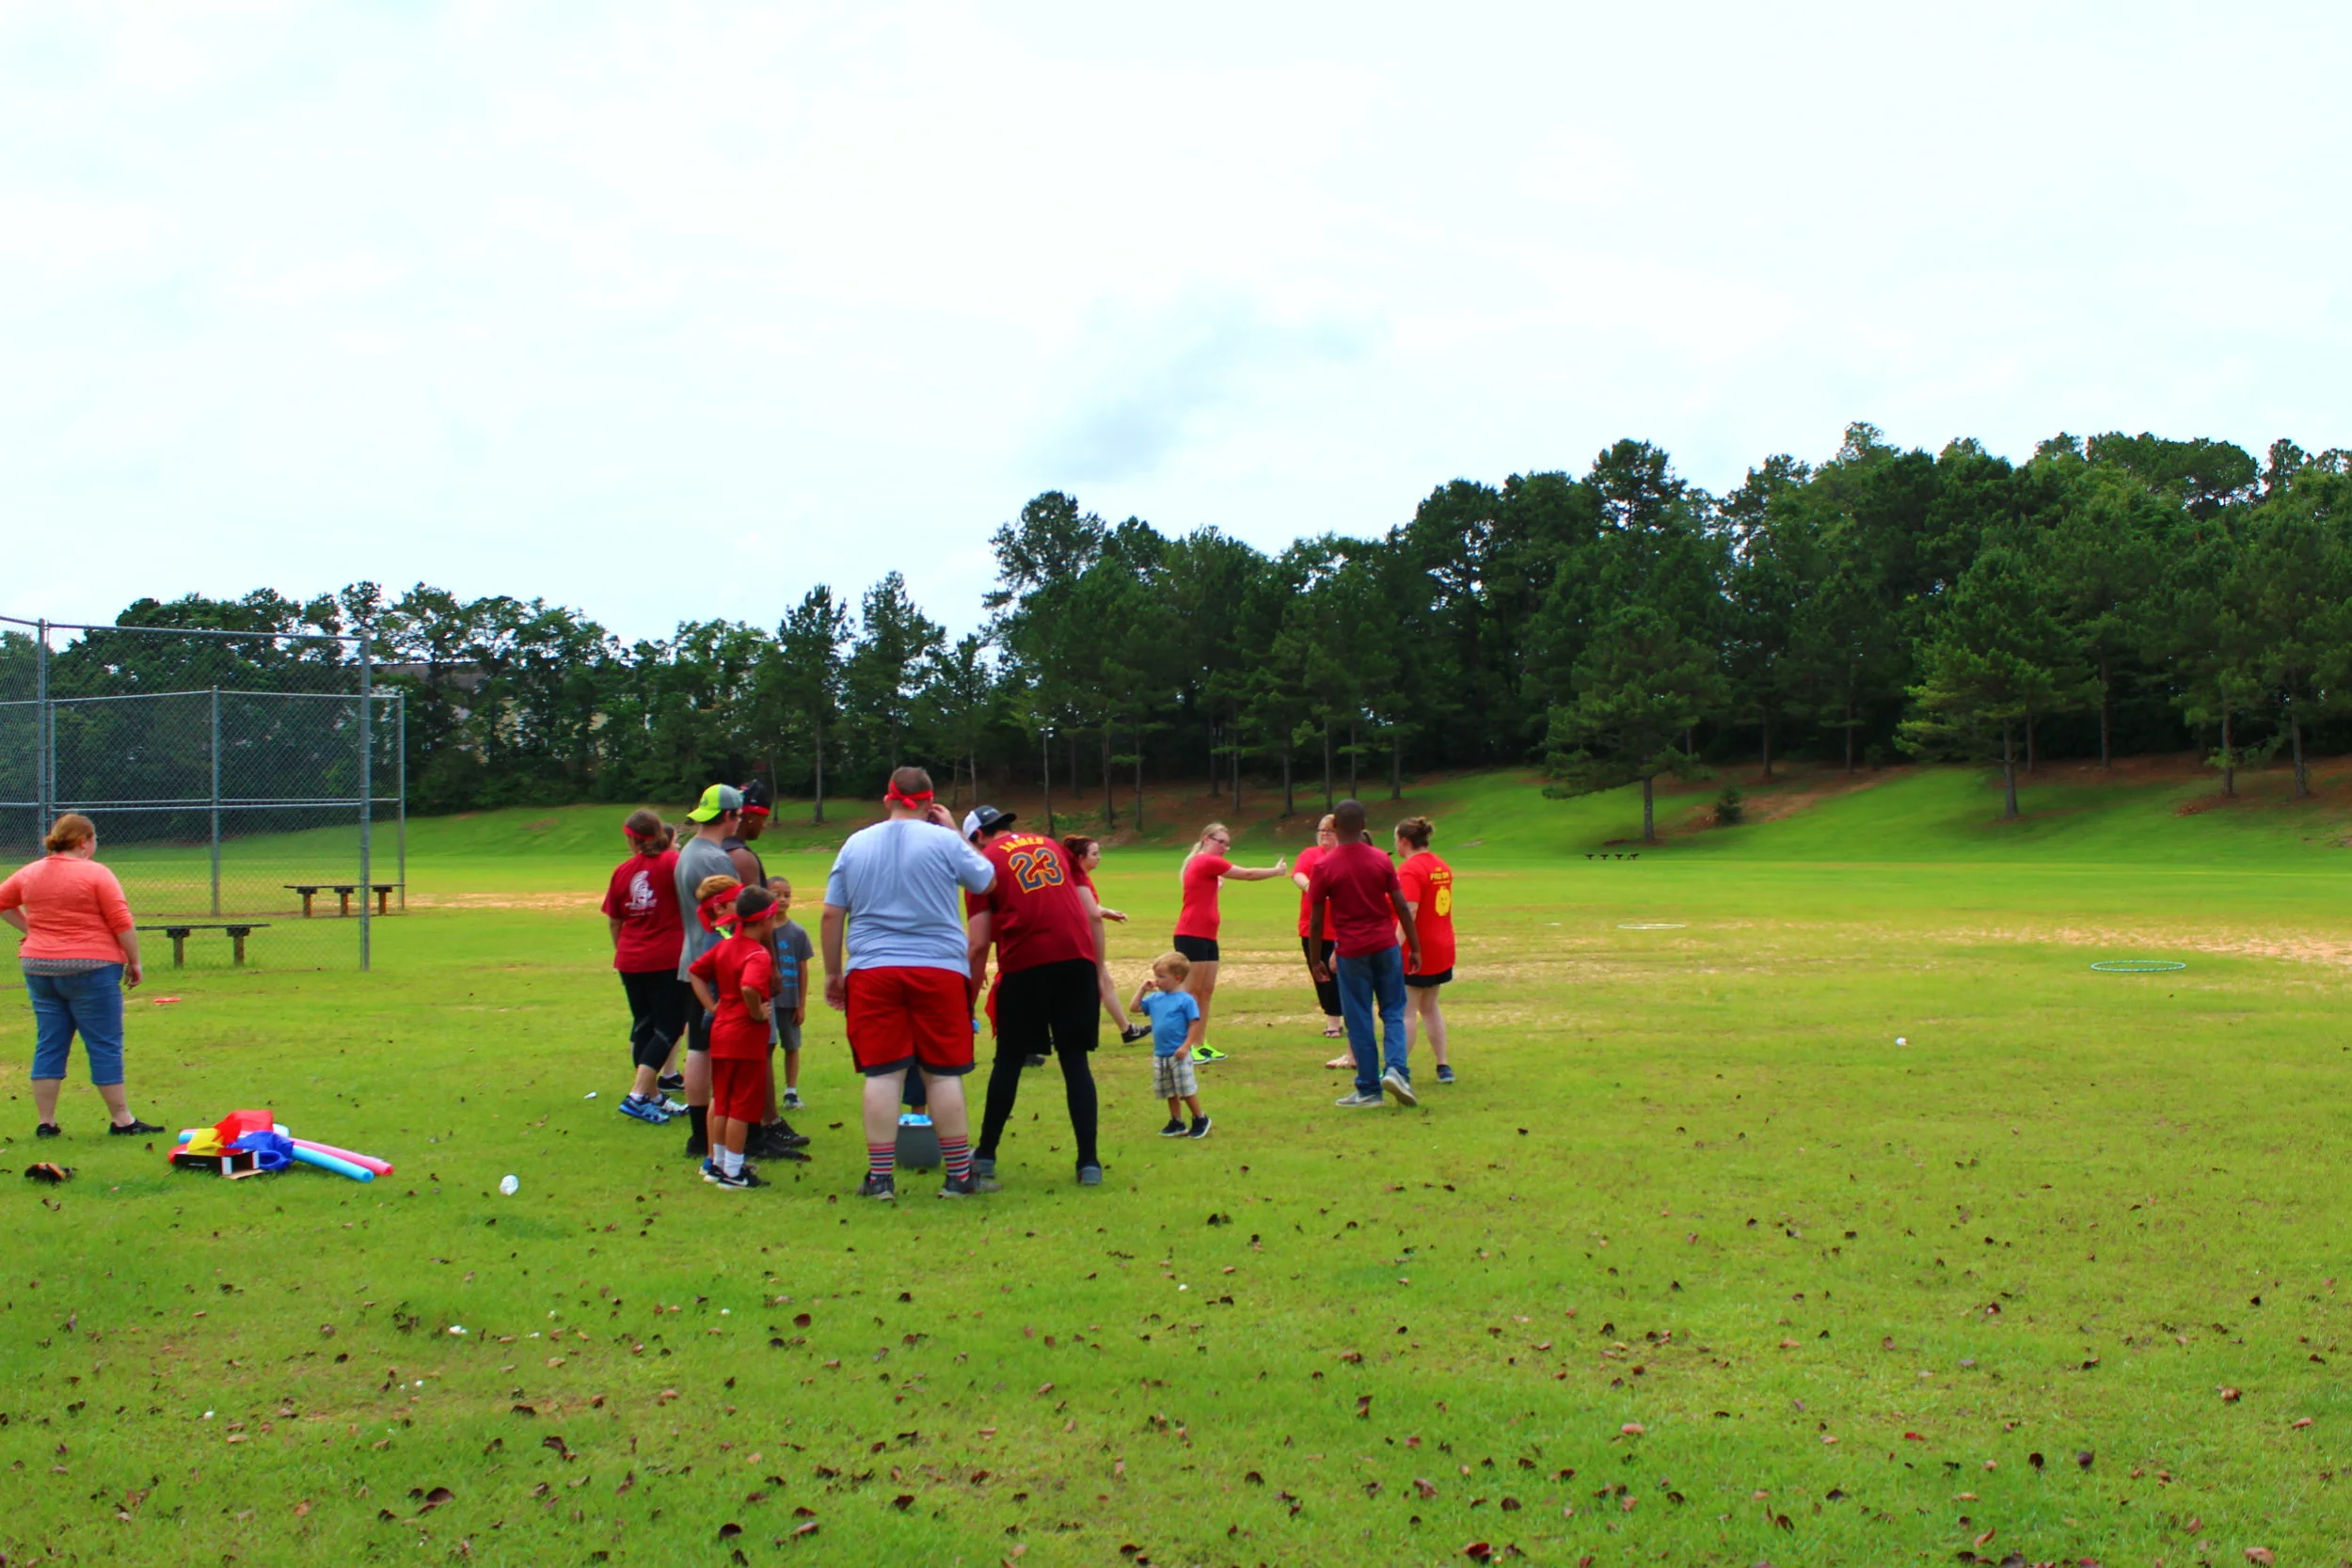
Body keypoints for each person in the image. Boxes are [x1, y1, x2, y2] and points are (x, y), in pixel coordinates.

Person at [821, 767, 999, 1200]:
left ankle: (880, 1178)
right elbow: (987, 880)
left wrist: (832, 972)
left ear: (889, 799)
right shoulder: (941, 841)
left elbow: (831, 914)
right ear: (928, 803)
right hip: (938, 966)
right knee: (942, 1073)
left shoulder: (856, 843)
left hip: (874, 967)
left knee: (883, 1072)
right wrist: (955, 833)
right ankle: (959, 1175)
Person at [964, 806, 1104, 1187]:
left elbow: (978, 944)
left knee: (1008, 1060)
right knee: (1075, 1061)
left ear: (976, 837)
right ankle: (1089, 1163)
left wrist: (967, 1000)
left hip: (1026, 963)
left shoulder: (984, 863)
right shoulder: (1052, 845)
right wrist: (1097, 968)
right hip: (1077, 959)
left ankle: (987, 1154)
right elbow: (1090, 912)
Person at [0, 814, 161, 1138]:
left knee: (50, 1042)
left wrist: (33, 930)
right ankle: (122, 1120)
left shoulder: (31, 871)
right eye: (94, 839)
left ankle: (46, 1123)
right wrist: (135, 961)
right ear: (84, 841)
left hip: (39, 967)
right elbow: (121, 921)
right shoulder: (96, 873)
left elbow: (3, 902)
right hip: (92, 967)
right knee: (103, 1043)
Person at [1308, 799, 1422, 1109]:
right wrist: (1415, 946)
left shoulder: (1324, 865)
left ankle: (1369, 1089)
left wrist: (1315, 958)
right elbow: (1401, 906)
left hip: (1351, 950)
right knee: (1394, 1012)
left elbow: (1317, 919)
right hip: (1385, 946)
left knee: (1359, 1018)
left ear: (1334, 828)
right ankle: (1398, 1071)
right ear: (1363, 825)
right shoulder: (1380, 860)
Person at [688, 883, 782, 1190]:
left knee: (723, 1101)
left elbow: (695, 973)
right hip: (745, 1035)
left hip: (722, 1031)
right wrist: (755, 1013)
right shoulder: (758, 954)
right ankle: (734, 1171)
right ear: (765, 920)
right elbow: (749, 988)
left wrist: (714, 1007)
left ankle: (717, 1163)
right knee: (742, 1105)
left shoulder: (725, 945)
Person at [1171, 822, 1286, 1063]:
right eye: (1220, 841)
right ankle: (1186, 1044)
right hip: (1191, 934)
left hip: (1207, 935)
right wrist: (1276, 871)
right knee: (1191, 992)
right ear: (1206, 839)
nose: (1224, 847)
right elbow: (1247, 874)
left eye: (1227, 843)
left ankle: (1200, 1044)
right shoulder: (1205, 861)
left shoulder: (1205, 867)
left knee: (1205, 992)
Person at [602, 808, 689, 1124]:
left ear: (631, 839)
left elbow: (615, 920)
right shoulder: (672, 863)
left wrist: (625, 951)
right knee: (670, 1026)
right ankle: (638, 1095)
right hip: (666, 958)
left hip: (630, 959)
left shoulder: (622, 870)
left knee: (643, 1026)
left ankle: (652, 1096)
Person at [1062, 834, 1150, 1044]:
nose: (1099, 858)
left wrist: (1106, 911)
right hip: (1079, 938)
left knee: (1103, 981)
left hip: (1081, 936)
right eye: (1094, 854)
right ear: (1081, 857)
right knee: (1086, 984)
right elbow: (1086, 910)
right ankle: (1064, 1029)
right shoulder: (1075, 880)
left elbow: (1089, 907)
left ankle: (1126, 1029)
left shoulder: (1080, 879)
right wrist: (1103, 912)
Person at [1395, 816, 1458, 1084]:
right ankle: (1443, 1066)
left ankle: (1398, 1069)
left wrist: (1391, 947)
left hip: (1417, 950)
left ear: (1405, 841)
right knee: (1431, 1007)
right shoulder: (1440, 864)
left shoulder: (1410, 869)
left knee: (1407, 1010)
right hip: (1442, 946)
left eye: (1396, 840)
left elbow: (1409, 911)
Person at [1131, 952, 1209, 1139]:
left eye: (1161, 977)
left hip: (1179, 1053)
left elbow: (1194, 1024)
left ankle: (1200, 1118)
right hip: (1161, 1053)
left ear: (1177, 978)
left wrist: (1186, 1046)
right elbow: (1134, 1008)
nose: (1156, 980)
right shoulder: (1155, 999)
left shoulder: (1186, 1000)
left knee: (1185, 1089)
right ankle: (1176, 1121)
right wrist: (1142, 989)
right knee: (1169, 1090)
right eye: (1155, 975)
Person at [1291, 815, 1349, 1059]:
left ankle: (1337, 1020)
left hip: (1341, 927)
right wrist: (1312, 889)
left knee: (1341, 975)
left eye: (1330, 830)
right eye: (1321, 830)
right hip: (1312, 927)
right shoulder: (1310, 854)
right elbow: (1298, 875)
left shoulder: (1346, 856)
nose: (1324, 834)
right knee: (1321, 974)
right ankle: (1333, 1018)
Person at [767, 876, 815, 1111]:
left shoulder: (797, 932)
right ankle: (764, 1091)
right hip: (766, 1000)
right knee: (766, 1045)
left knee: (792, 1045)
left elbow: (803, 968)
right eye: (777, 894)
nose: (783, 900)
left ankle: (791, 1092)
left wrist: (801, 1004)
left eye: (787, 895)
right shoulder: (760, 930)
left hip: (789, 999)